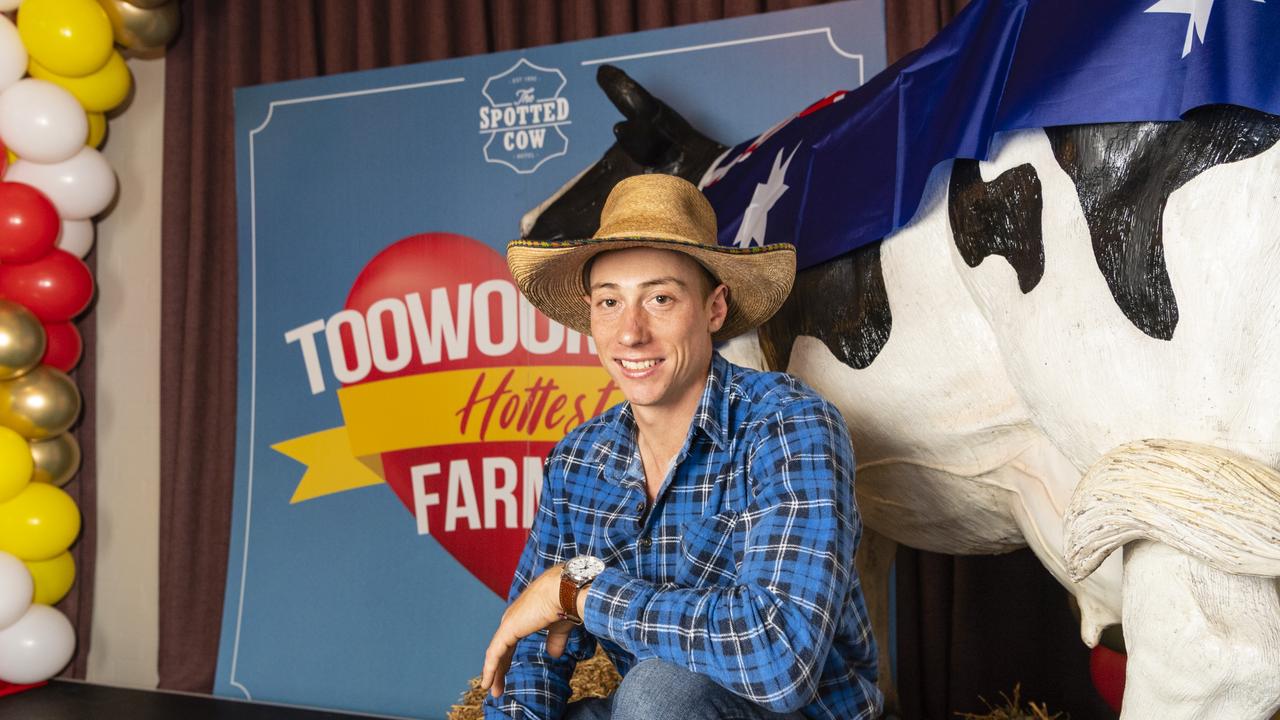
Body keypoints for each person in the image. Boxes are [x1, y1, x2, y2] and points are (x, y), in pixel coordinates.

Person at [483, 174, 881, 720]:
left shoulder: (790, 424)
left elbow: (780, 660)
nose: (630, 333)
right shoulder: (579, 458)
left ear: (714, 309)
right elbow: (531, 647)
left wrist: (581, 591)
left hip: (797, 714)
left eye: (661, 298)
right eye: (609, 302)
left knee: (657, 695)